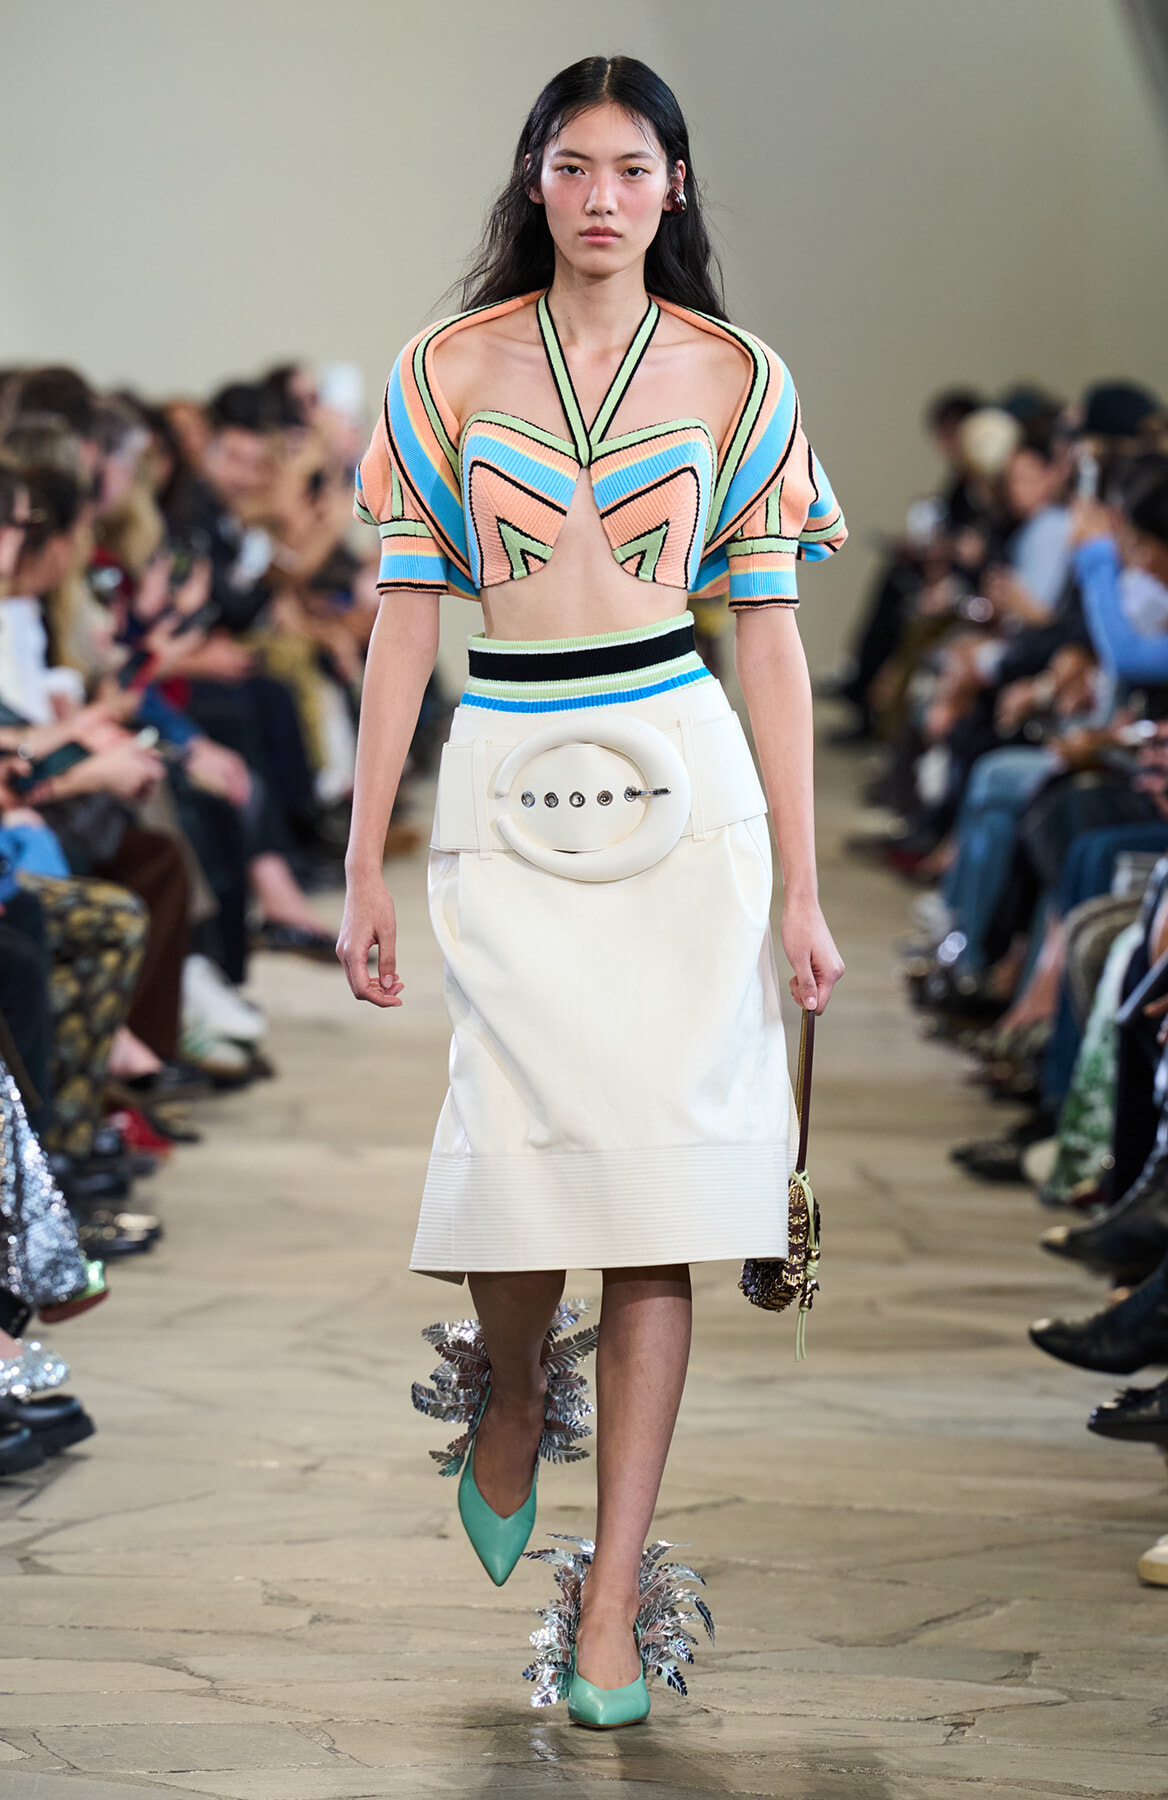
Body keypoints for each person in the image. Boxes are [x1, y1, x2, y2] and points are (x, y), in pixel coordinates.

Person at [337, 55, 845, 1726]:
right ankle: (503, 1383)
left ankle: (613, 1596)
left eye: (635, 167)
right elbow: (406, 623)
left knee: (660, 1203)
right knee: (515, 1141)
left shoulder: (740, 377)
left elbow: (768, 636)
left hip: (682, 789)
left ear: (675, 187)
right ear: (536, 180)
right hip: (507, 773)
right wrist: (363, 865)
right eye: (576, 165)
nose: (606, 194)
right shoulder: (444, 368)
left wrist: (801, 886)